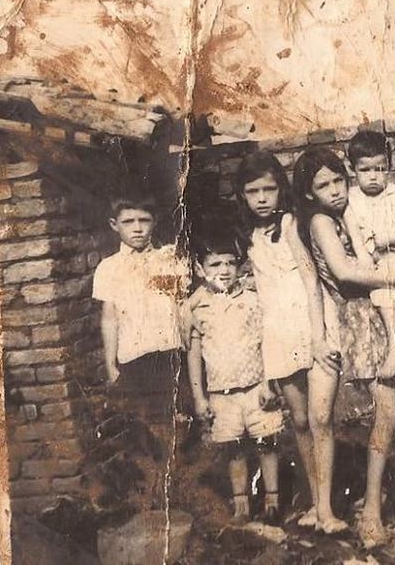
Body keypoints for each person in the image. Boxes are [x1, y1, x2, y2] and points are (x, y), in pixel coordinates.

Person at [294, 147, 395, 548]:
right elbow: (347, 270)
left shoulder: (343, 215)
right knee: (386, 412)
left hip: (378, 310)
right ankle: (371, 513)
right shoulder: (319, 222)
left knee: (393, 409)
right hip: (360, 318)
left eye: (337, 181)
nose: (334, 191)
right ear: (309, 193)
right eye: (323, 185)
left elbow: (366, 255)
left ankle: (388, 496)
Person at [234, 151, 345, 532]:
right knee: (298, 421)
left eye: (269, 188)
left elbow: (312, 283)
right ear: (243, 196)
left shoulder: (292, 223)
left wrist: (318, 338)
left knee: (320, 417)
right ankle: (315, 504)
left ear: (282, 190)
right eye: (253, 191)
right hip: (279, 334)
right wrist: (266, 368)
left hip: (312, 326)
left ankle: (328, 510)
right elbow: (261, 301)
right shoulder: (250, 237)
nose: (262, 197)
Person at [92, 192, 187, 502]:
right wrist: (110, 363)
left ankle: (177, 487)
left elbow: (177, 306)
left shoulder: (167, 259)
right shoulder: (109, 268)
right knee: (143, 423)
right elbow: (110, 318)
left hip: (167, 350)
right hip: (134, 355)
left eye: (143, 220)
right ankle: (151, 490)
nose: (137, 228)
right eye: (128, 222)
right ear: (114, 225)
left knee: (173, 419)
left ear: (154, 222)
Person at [184, 234, 283, 524]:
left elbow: (268, 341)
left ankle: (272, 500)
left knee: (267, 442)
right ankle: (241, 503)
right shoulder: (196, 306)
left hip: (255, 387)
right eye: (215, 264)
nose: (224, 270)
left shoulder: (253, 299)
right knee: (234, 448)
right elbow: (193, 354)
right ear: (199, 268)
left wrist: (268, 382)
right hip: (221, 392)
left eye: (230, 263)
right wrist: (199, 396)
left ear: (241, 266)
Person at [344, 130, 395, 380]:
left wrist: (380, 239)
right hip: (373, 262)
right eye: (366, 170)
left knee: (385, 290)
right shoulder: (350, 200)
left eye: (380, 169)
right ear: (352, 169)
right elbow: (353, 236)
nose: (374, 177)